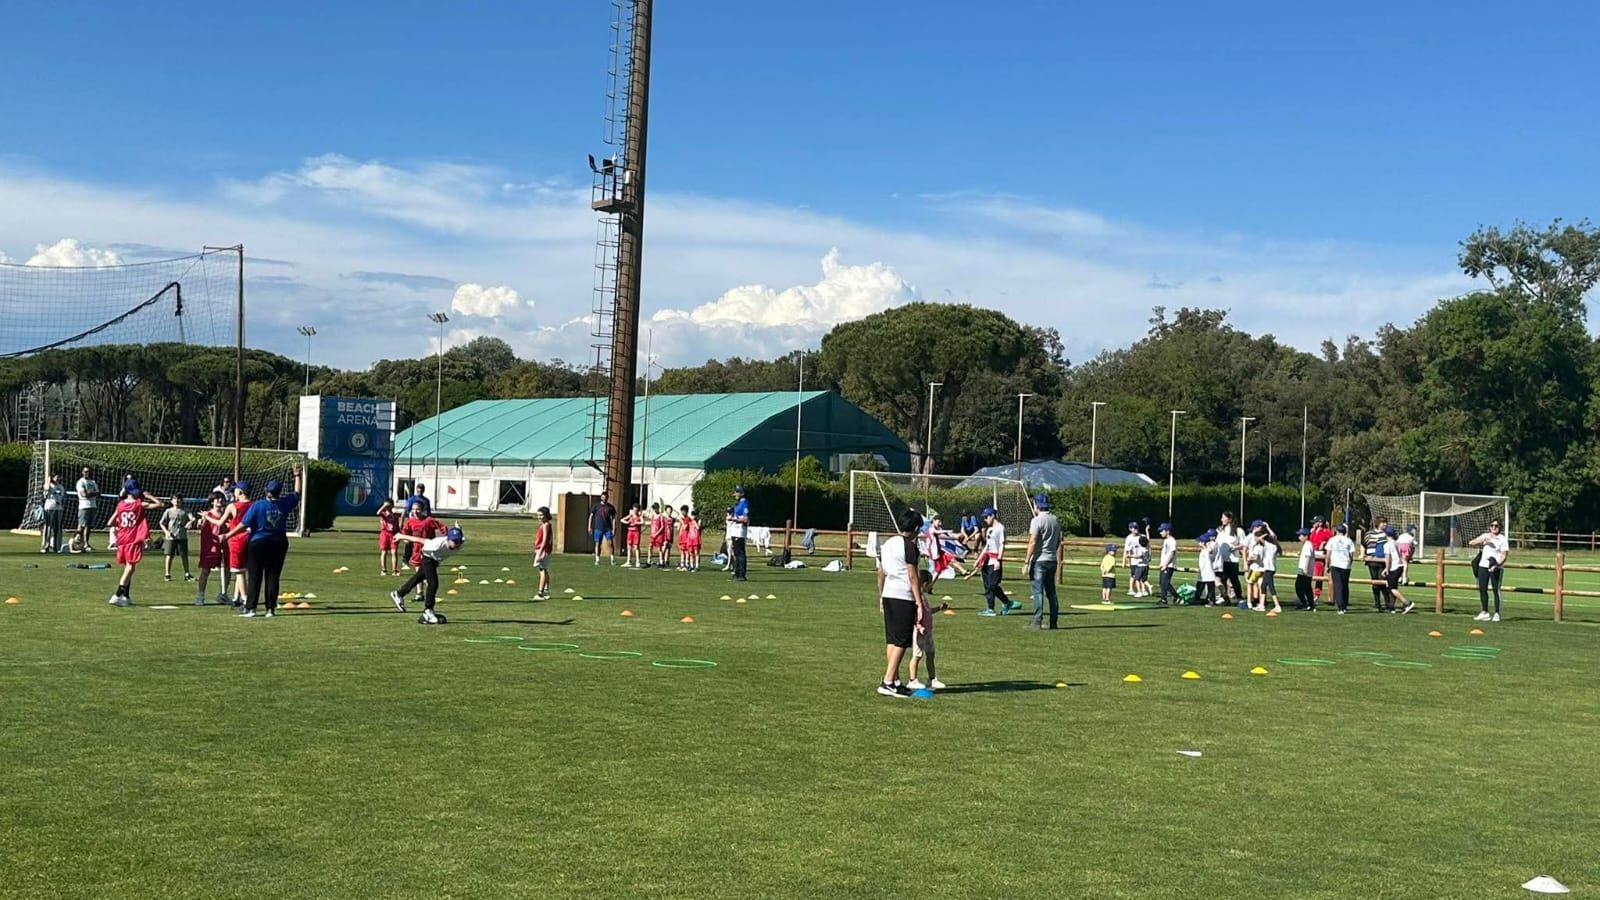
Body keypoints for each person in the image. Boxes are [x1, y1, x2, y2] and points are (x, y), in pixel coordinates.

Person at [225, 473, 302, 618]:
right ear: (279, 492)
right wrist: (297, 476)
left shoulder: (258, 505)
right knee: (273, 576)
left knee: (255, 576)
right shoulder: (284, 503)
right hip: (278, 542)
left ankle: (251, 609)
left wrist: (228, 535)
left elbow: (244, 524)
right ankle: (270, 609)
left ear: (266, 491)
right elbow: (297, 493)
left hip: (258, 542)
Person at [875, 508, 926, 697]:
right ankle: (888, 682)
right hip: (903, 595)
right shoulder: (910, 547)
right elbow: (913, 576)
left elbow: (881, 573)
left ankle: (894, 680)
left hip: (889, 593)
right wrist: (919, 602)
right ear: (916, 528)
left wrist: (881, 595)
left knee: (892, 639)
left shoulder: (888, 544)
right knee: (902, 641)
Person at [390, 526, 466, 624]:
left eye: (459, 541)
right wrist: (401, 536)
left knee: (418, 578)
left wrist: (458, 528)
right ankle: (428, 610)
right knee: (433, 583)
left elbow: (460, 536)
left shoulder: (460, 543)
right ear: (448, 539)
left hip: (435, 560)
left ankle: (399, 594)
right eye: (455, 541)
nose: (458, 544)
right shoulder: (437, 544)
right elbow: (419, 540)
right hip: (428, 557)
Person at [105, 480, 162, 606]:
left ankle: (126, 596)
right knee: (130, 567)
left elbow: (110, 522)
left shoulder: (120, 505)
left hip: (122, 539)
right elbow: (160, 504)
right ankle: (117, 594)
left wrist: (121, 525)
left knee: (128, 568)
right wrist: (149, 496)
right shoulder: (139, 504)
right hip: (133, 539)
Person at [965, 507, 1014, 616]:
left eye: (986, 517)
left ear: (992, 516)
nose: (985, 519)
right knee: (987, 586)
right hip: (987, 560)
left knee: (993, 585)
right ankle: (990, 608)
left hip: (995, 560)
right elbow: (987, 546)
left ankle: (1007, 602)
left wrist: (998, 560)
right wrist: (979, 559)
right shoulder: (989, 529)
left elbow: (1002, 545)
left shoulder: (1000, 528)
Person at [1025, 493, 1062, 629]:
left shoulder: (1037, 520)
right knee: (1051, 592)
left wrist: (1026, 561)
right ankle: (1053, 621)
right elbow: (1058, 541)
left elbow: (1033, 541)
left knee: (1037, 591)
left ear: (1037, 505)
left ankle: (1037, 621)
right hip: (1052, 560)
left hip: (1039, 560)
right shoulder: (1055, 520)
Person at [906, 570, 946, 692]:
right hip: (919, 632)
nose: (931, 587)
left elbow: (928, 612)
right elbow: (913, 616)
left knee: (930, 654)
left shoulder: (923, 598)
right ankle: (912, 680)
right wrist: (919, 627)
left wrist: (939, 608)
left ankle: (932, 679)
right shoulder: (916, 598)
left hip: (928, 632)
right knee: (917, 655)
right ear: (924, 584)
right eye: (930, 584)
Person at [401, 506, 445, 601]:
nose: (415, 511)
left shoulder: (428, 520)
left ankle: (431, 595)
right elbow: (405, 532)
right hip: (417, 550)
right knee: (418, 573)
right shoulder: (410, 521)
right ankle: (419, 593)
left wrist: (446, 534)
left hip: (429, 551)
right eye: (413, 509)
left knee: (429, 574)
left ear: (422, 510)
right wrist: (405, 539)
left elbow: (442, 527)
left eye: (418, 509)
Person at [1468, 520, 1509, 623]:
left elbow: (1504, 555)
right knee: (1482, 589)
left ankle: (1497, 613)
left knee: (1496, 590)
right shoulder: (1485, 536)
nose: (1494, 527)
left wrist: (1497, 565)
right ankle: (1484, 612)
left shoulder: (1502, 539)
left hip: (1495, 567)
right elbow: (1471, 542)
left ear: (1500, 527)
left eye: (1496, 526)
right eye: (1492, 525)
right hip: (1483, 566)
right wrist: (1483, 539)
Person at [221, 481, 254, 607]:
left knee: (238, 571)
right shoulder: (254, 505)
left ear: (240, 492)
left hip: (236, 540)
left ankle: (245, 599)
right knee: (243, 569)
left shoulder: (232, 506)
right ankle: (236, 597)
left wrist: (207, 516)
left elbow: (220, 522)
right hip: (251, 539)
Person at [195, 493, 228, 606]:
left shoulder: (225, 514)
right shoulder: (207, 514)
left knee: (226, 570)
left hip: (223, 546)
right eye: (217, 499)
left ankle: (223, 594)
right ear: (212, 501)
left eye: (221, 498)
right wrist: (200, 521)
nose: (219, 500)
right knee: (205, 571)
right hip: (209, 547)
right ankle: (200, 595)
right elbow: (200, 526)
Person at [1361, 515, 1392, 612]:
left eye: (1386, 522)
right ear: (1378, 523)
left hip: (1382, 561)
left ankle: (1388, 604)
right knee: (1375, 583)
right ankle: (1377, 604)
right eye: (1383, 522)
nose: (1385, 524)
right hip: (1372, 561)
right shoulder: (1369, 533)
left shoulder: (1386, 534)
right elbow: (1363, 544)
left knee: (1383, 582)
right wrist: (1362, 554)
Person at [161, 496, 194, 582]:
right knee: (169, 555)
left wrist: (190, 522)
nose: (177, 500)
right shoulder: (168, 511)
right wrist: (166, 532)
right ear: (171, 501)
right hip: (171, 537)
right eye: (175, 499)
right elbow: (161, 523)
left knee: (184, 556)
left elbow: (193, 518)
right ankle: (167, 574)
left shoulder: (185, 510)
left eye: (179, 499)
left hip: (182, 537)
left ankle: (187, 574)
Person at [1383, 524, 1415, 614]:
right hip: (1400, 566)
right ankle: (1392, 607)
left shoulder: (1387, 545)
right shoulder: (1397, 543)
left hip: (1394, 567)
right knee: (1393, 587)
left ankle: (1407, 603)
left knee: (1392, 588)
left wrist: (1387, 568)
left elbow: (1388, 558)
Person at [1252, 522, 1283, 614]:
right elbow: (1273, 536)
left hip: (1269, 569)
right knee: (1263, 586)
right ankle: (1261, 605)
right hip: (1268, 569)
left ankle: (1277, 606)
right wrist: (1267, 528)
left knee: (1271, 587)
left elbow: (1261, 538)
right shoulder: (1272, 546)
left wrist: (1265, 531)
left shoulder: (1270, 546)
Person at [1326, 524, 1356, 614]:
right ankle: (1345, 606)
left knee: (1338, 586)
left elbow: (1328, 554)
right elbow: (1351, 555)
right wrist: (1350, 564)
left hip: (1335, 564)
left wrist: (1327, 565)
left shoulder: (1332, 540)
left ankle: (1340, 606)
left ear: (1336, 531)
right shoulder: (1349, 540)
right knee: (1345, 585)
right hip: (1345, 565)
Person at [1215, 511, 1244, 603]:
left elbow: (1244, 544)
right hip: (1221, 559)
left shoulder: (1238, 531)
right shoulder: (1221, 530)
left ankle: (1239, 597)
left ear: (1230, 519)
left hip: (1232, 560)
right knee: (1222, 578)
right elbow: (1217, 543)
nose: (1221, 519)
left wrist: (1235, 548)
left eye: (1224, 518)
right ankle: (1224, 597)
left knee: (1234, 579)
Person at [1308, 515, 1334, 603]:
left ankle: (1316, 594)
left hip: (1320, 556)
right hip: (1312, 554)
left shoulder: (1326, 531)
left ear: (1320, 523)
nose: (1313, 524)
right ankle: (1308, 593)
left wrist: (1325, 543)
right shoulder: (1313, 531)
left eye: (1315, 522)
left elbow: (1332, 542)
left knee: (1318, 576)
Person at [727, 485, 750, 582]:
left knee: (740, 553)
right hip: (735, 531)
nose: (735, 494)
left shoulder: (744, 504)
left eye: (737, 492)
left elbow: (745, 519)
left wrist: (733, 519)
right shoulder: (739, 504)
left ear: (742, 493)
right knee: (736, 552)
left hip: (739, 531)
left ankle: (741, 574)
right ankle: (736, 573)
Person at [74, 466, 100, 551]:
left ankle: (86, 543)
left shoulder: (93, 482)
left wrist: (90, 493)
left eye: (88, 471)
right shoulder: (80, 482)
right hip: (84, 506)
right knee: (81, 526)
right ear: (82, 472)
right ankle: (77, 543)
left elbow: (98, 492)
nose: (87, 473)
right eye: (85, 471)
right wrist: (92, 493)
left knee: (89, 526)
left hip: (93, 505)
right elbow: (84, 494)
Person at [40, 472, 67, 553]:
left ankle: (57, 546)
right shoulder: (49, 485)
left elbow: (62, 496)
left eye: (59, 477)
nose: (58, 479)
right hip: (49, 508)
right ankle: (45, 545)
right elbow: (46, 489)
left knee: (57, 527)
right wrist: (48, 480)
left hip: (58, 509)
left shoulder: (61, 487)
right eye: (56, 477)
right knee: (48, 527)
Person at [588, 491, 616, 566]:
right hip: (598, 528)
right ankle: (597, 559)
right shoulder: (596, 506)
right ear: (601, 497)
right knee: (597, 543)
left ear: (607, 498)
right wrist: (589, 526)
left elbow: (613, 518)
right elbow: (591, 516)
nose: (604, 498)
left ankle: (612, 559)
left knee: (610, 543)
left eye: (606, 497)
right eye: (603, 497)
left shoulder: (610, 507)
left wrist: (614, 528)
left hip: (607, 528)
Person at [532, 506, 554, 599]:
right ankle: (546, 591)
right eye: (538, 515)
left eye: (541, 515)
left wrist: (540, 552)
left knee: (542, 570)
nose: (539, 517)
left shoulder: (545, 525)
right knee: (544, 569)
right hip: (545, 550)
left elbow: (545, 540)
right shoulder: (547, 525)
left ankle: (540, 592)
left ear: (546, 515)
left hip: (543, 550)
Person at [1293, 528, 1317, 611]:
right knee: (1306, 588)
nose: (1299, 537)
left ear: (1306, 536)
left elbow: (1307, 557)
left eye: (1301, 535)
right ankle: (1309, 604)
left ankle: (1305, 603)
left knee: (1299, 587)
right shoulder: (1307, 544)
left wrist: (1305, 569)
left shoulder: (1307, 545)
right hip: (1304, 569)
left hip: (1304, 570)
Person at [376, 499, 402, 575]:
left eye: (388, 505)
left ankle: (394, 570)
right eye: (386, 506)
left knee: (394, 552)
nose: (387, 507)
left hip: (394, 534)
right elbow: (377, 513)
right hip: (385, 533)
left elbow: (403, 513)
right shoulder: (383, 513)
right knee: (384, 551)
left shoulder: (395, 514)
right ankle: (384, 569)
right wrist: (384, 506)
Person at [1156, 522, 1179, 606]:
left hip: (1169, 565)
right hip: (1164, 564)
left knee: (1165, 582)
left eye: (1162, 531)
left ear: (1168, 531)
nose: (1160, 533)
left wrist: (1166, 564)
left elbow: (1172, 553)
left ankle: (1176, 597)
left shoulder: (1172, 541)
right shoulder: (1166, 540)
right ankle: (1163, 598)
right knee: (1162, 582)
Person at [1195, 530, 1219, 606]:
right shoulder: (1204, 550)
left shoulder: (1209, 549)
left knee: (1210, 585)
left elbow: (1211, 552)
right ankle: (1197, 598)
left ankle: (1212, 600)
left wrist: (1205, 546)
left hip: (1208, 570)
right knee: (1200, 584)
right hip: (1202, 570)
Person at [678, 506, 701, 572]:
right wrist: (682, 522)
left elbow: (698, 528)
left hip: (696, 539)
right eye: (692, 515)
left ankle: (697, 566)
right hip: (690, 539)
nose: (693, 516)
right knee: (691, 553)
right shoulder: (689, 520)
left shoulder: (698, 521)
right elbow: (685, 527)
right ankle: (691, 565)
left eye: (695, 515)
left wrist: (694, 522)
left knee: (696, 553)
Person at [621, 504, 644, 568]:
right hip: (630, 532)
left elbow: (642, 522)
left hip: (636, 532)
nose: (635, 511)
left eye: (636, 510)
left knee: (636, 547)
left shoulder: (639, 516)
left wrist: (637, 523)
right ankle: (628, 561)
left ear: (638, 510)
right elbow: (622, 520)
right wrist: (627, 522)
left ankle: (638, 561)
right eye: (634, 510)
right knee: (629, 546)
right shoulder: (630, 515)